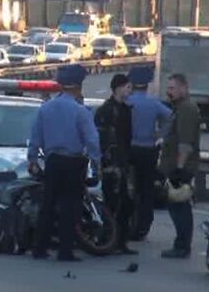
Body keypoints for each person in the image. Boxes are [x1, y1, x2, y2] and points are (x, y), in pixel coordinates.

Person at [28, 64, 101, 262]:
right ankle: (65, 251)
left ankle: (39, 248)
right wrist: (96, 163)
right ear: (78, 87)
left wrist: (32, 159)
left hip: (52, 161)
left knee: (48, 205)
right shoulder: (81, 111)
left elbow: (35, 137)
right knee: (70, 207)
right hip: (73, 163)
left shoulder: (46, 108)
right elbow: (92, 141)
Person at [127, 67, 172, 239]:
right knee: (146, 190)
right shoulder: (153, 103)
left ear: (131, 84)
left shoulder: (127, 102)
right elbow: (170, 117)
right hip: (148, 150)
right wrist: (160, 134)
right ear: (147, 85)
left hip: (130, 150)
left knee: (130, 188)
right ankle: (143, 226)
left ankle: (128, 223)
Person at [94, 74, 137, 255]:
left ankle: (121, 241)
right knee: (111, 202)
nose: (130, 90)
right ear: (118, 88)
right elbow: (101, 138)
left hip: (124, 162)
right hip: (111, 164)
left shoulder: (126, 110)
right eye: (127, 87)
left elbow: (127, 138)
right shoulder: (106, 110)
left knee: (127, 203)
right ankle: (106, 239)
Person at [158, 73, 200, 259]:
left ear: (184, 88)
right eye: (168, 88)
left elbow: (185, 142)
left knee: (180, 206)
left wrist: (180, 169)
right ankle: (181, 243)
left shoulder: (187, 109)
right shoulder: (179, 107)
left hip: (180, 166)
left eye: (173, 88)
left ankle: (182, 245)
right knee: (176, 206)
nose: (169, 92)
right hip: (173, 165)